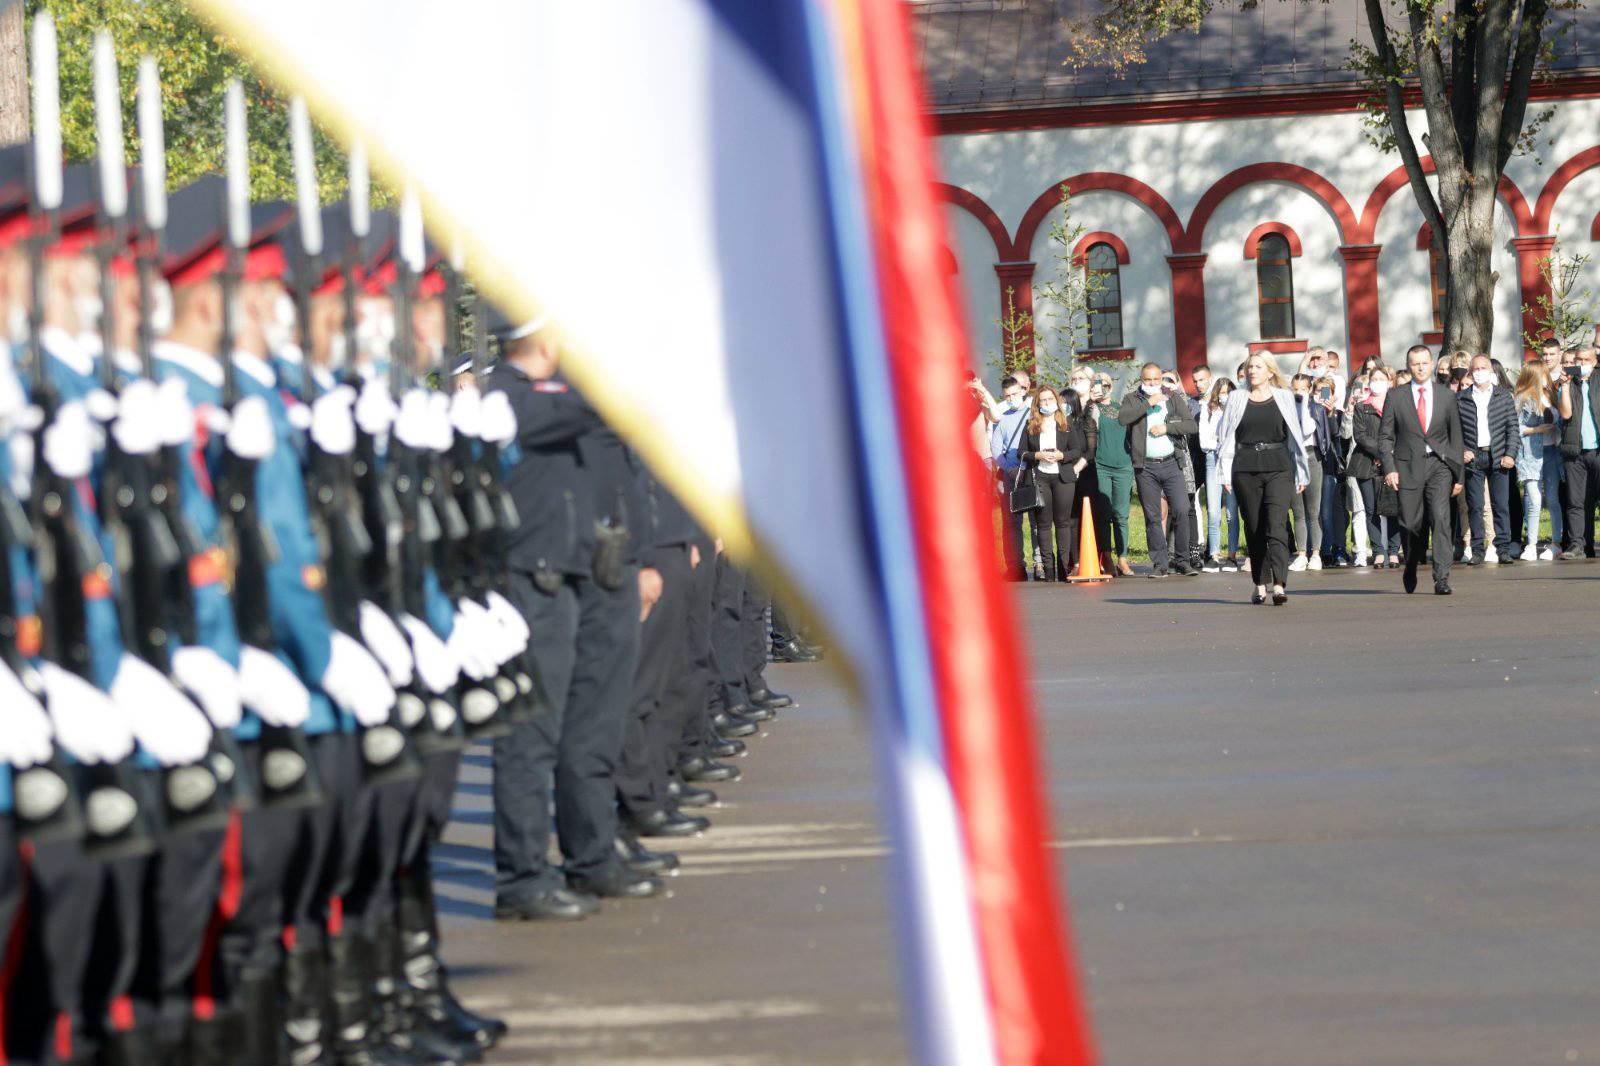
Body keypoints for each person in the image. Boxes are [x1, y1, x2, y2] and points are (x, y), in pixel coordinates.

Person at [1217, 352, 1309, 605]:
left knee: (1276, 524)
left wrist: (1302, 471)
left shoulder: (1284, 397)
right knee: (1255, 527)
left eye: (1258, 367)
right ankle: (1259, 583)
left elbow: (1297, 435)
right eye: (1249, 367)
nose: (1252, 371)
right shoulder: (1236, 398)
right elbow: (1224, 436)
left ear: (1270, 371)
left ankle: (1279, 585)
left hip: (1279, 465)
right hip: (1245, 467)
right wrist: (1225, 473)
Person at [1379, 344, 1465, 594]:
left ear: (1431, 364)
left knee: (1440, 519)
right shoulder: (1396, 396)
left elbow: (1455, 437)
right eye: (1415, 363)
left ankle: (1442, 578)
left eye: (1424, 362)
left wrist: (1458, 473)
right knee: (1410, 523)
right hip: (1407, 467)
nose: (1420, 367)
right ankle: (1412, 563)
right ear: (1408, 366)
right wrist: (1389, 468)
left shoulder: (1446, 395)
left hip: (1439, 465)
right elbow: (1385, 437)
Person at [1119, 362, 1199, 577]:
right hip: (1145, 467)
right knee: (1153, 516)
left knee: (1182, 509)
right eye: (1148, 380)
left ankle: (1182, 560)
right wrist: (1148, 403)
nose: (1153, 383)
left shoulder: (1173, 397)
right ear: (1141, 380)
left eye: (1156, 379)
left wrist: (1167, 428)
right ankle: (1160, 563)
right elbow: (1123, 418)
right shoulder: (1131, 399)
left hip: (1172, 463)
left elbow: (1191, 425)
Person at [1021, 386, 1089, 581]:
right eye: (1042, 400)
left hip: (1063, 477)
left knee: (1063, 523)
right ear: (1037, 404)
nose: (1047, 403)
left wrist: (1062, 455)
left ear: (1056, 401)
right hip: (1040, 476)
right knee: (1043, 524)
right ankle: (1048, 569)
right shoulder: (1031, 425)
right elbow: (1022, 453)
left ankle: (1064, 568)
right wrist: (1038, 455)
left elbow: (1077, 450)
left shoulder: (1066, 424)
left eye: (1050, 399)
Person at [1458, 353, 1519, 565]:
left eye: (1483, 368)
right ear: (1470, 372)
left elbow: (1513, 428)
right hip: (1474, 457)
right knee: (1474, 505)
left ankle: (1503, 548)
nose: (1479, 372)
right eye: (1475, 369)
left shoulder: (1503, 396)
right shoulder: (1461, 398)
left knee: (1500, 505)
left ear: (1491, 370)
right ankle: (1477, 550)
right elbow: (1453, 431)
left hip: (1498, 456)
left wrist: (1510, 454)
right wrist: (1462, 451)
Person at [1350, 367, 1402, 567]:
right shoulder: (1362, 407)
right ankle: (1379, 551)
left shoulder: (1397, 405)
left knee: (1392, 508)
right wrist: (1380, 453)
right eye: (1374, 379)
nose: (1377, 382)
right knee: (1371, 509)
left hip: (1393, 462)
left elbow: (1402, 433)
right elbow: (1360, 435)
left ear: (1389, 381)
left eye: (1382, 379)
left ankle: (1393, 551)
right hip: (1366, 463)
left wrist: (1388, 455)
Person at [1556, 345, 1600, 558]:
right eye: (1578, 360)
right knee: (1576, 501)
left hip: (1598, 450)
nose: (1581, 364)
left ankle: (1590, 544)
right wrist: (1564, 387)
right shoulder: (1568, 384)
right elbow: (1565, 414)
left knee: (1593, 499)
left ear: (1594, 361)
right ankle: (1577, 545)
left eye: (1585, 360)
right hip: (1574, 451)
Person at [1092, 374, 1135, 576]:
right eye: (1098, 385)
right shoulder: (1092, 409)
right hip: (1101, 466)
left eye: (1106, 385)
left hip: (1123, 466)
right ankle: (1106, 555)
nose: (1102, 389)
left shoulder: (1120, 409)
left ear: (1111, 386)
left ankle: (1123, 558)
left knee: (1121, 514)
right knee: (1104, 513)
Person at [1514, 363, 1558, 561]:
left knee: (1553, 498)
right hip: (1531, 454)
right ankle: (1531, 545)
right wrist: (1537, 430)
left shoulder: (1551, 396)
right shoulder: (1524, 397)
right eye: (1541, 374)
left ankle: (1556, 542)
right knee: (1534, 499)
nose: (1544, 377)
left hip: (1552, 452)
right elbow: (1516, 427)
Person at [1197, 376, 1241, 570]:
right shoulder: (1208, 410)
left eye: (1228, 392)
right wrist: (1220, 443)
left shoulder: (1238, 410)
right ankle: (1213, 554)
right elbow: (1204, 442)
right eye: (1221, 392)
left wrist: (1224, 443)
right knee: (1214, 511)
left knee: (1232, 512)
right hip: (1213, 460)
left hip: (1232, 460)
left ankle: (1232, 555)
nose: (1225, 396)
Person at [1286, 373, 1327, 571]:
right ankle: (1301, 553)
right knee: (1298, 511)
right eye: (1295, 389)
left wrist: (1303, 406)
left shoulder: (1315, 408)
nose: (1298, 393)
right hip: (1292, 457)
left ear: (1310, 389)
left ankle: (1316, 554)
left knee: (1313, 510)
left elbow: (1308, 429)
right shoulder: (1286, 409)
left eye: (1303, 389)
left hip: (1311, 457)